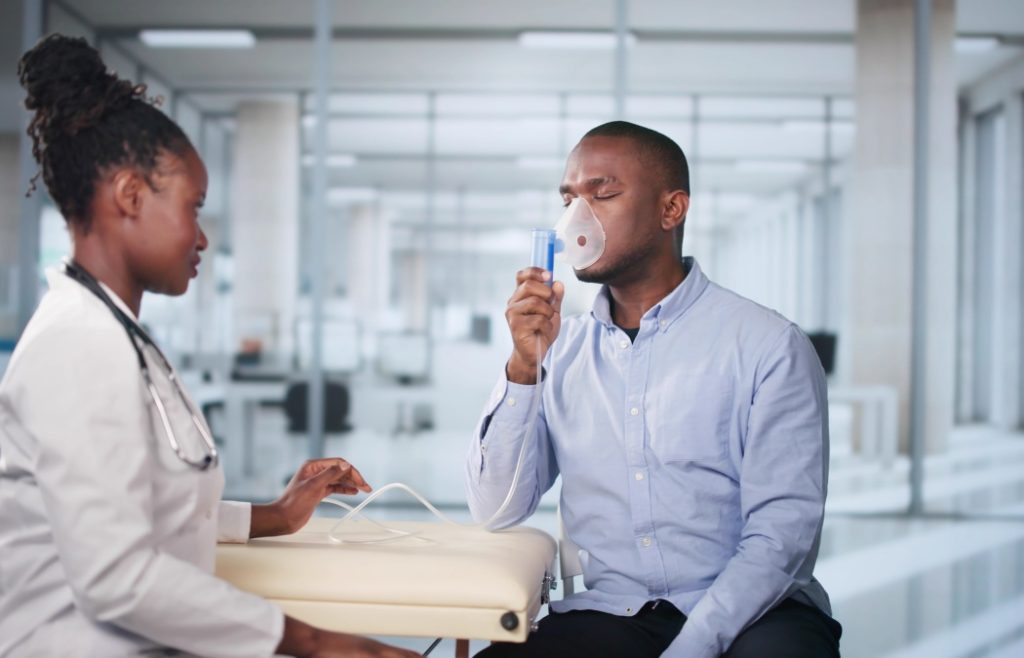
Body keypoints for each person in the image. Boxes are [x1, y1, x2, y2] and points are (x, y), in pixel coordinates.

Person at [0, 34, 419, 658]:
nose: (202, 238)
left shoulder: (115, 333)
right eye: (193, 209)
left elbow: (134, 509)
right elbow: (116, 577)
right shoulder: (78, 344)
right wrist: (317, 643)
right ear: (130, 197)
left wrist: (275, 515)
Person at [465, 121, 843, 658]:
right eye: (569, 197)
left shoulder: (768, 345)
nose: (577, 217)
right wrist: (524, 367)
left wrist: (692, 648)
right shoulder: (560, 351)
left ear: (671, 210)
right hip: (611, 614)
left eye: (604, 193)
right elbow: (495, 508)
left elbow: (781, 538)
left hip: (756, 612)